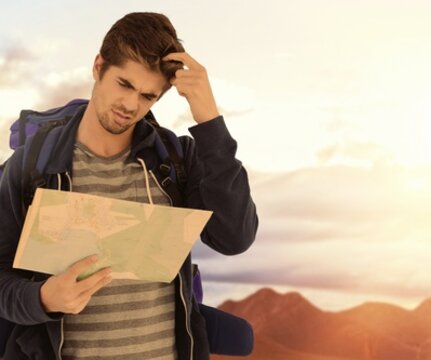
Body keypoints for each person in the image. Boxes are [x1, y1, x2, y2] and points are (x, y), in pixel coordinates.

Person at [0, 12, 258, 360]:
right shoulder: (32, 168)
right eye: (124, 84)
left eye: (148, 96)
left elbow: (234, 238)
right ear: (98, 66)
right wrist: (43, 299)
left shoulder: (174, 161)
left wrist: (209, 121)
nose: (131, 105)